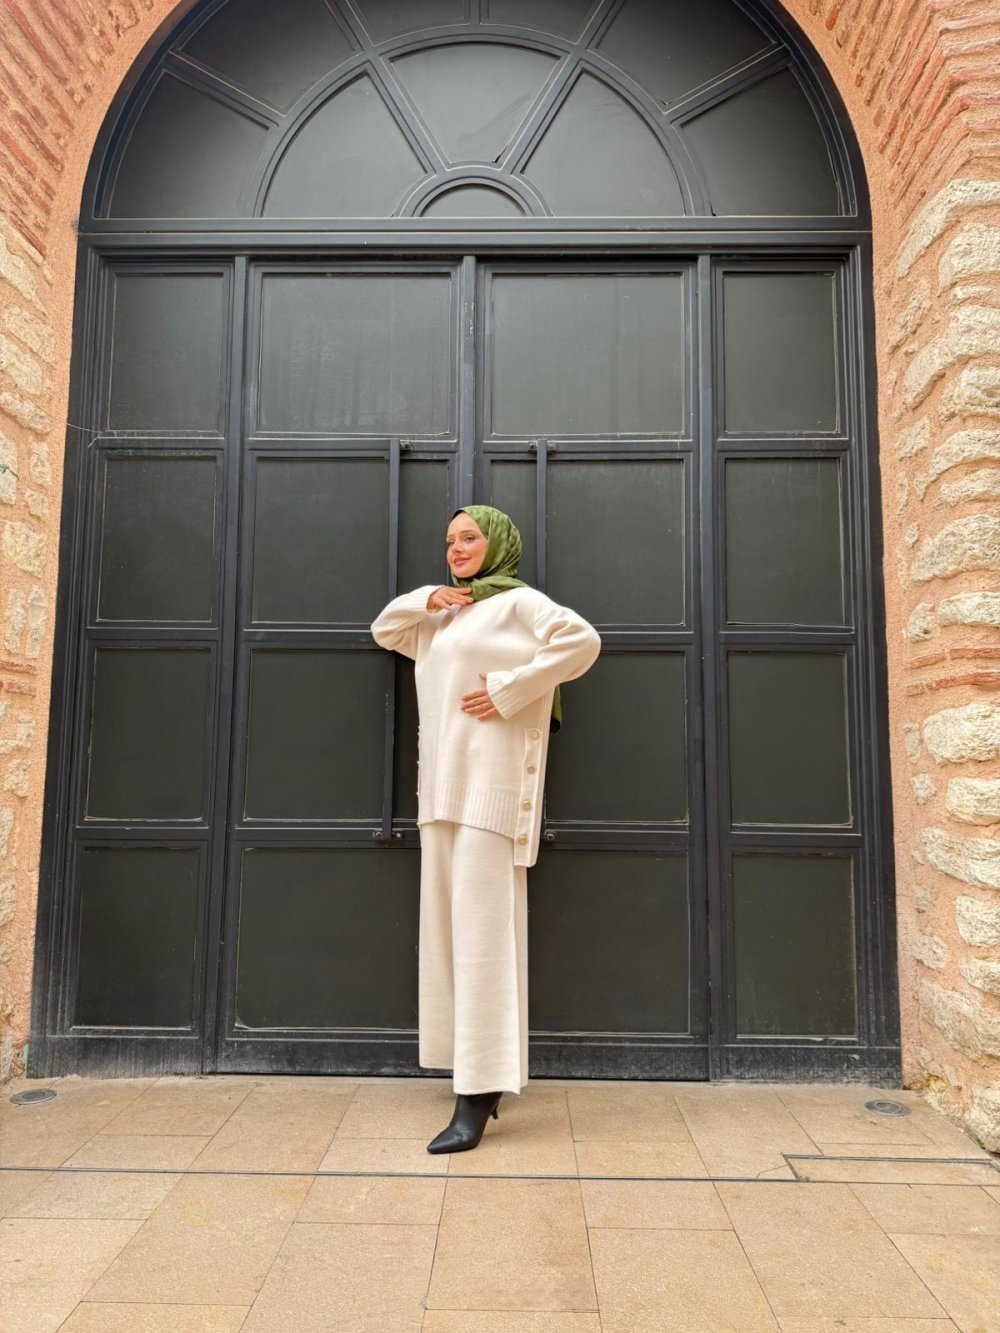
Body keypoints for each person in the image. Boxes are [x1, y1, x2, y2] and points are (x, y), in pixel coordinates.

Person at [370, 505, 601, 1153]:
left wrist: (510, 690)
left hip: (491, 795)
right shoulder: (442, 616)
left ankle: (478, 1095)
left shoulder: (519, 603)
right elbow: (386, 629)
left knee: (484, 943)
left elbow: (582, 641)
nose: (457, 548)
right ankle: (469, 1071)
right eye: (449, 540)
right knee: (448, 941)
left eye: (469, 537)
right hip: (441, 795)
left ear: (497, 541)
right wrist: (427, 597)